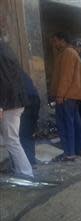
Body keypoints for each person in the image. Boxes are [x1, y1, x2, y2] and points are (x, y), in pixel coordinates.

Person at [50, 32, 81, 161]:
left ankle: (69, 152)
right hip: (72, 95)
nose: (54, 44)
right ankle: (80, 148)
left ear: (62, 40)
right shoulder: (72, 53)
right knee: (75, 122)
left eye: (55, 41)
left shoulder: (67, 54)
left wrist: (60, 94)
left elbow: (65, 77)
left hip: (66, 96)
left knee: (66, 124)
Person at [0, 41, 33, 178]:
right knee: (11, 140)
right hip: (14, 102)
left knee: (12, 141)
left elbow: (4, 81)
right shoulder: (6, 48)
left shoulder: (2, 52)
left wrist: (1, 105)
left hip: (9, 104)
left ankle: (26, 173)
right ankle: (21, 171)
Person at [19, 71, 40, 167]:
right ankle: (31, 160)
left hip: (26, 101)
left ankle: (28, 162)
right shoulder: (19, 71)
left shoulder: (6, 71)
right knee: (30, 131)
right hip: (35, 99)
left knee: (23, 133)